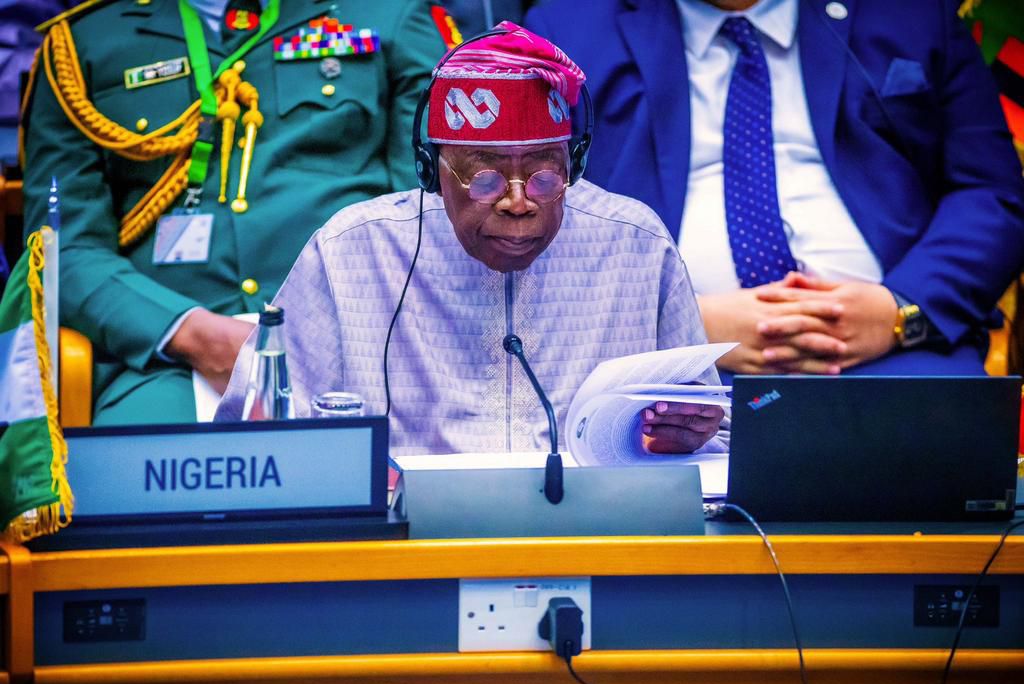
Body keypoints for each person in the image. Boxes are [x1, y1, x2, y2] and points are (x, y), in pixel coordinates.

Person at [217, 22, 727, 457]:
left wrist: (692, 434)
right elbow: (254, 441)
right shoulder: (351, 253)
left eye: (547, 179)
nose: (518, 201)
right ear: (433, 171)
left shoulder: (635, 244)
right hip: (406, 549)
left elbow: (715, 433)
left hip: (597, 538)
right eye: (484, 181)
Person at [525, 0, 1024, 377]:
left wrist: (900, 309)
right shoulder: (565, 30)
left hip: (892, 352)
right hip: (657, 369)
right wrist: (674, 320)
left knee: (948, 478)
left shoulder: (910, 13)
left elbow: (991, 193)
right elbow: (518, 215)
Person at [20, 0, 449, 424]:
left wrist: (358, 331)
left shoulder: (390, 15)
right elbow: (62, 249)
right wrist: (192, 334)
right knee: (136, 480)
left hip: (364, 344)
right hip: (169, 360)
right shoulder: (85, 44)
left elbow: (430, 213)